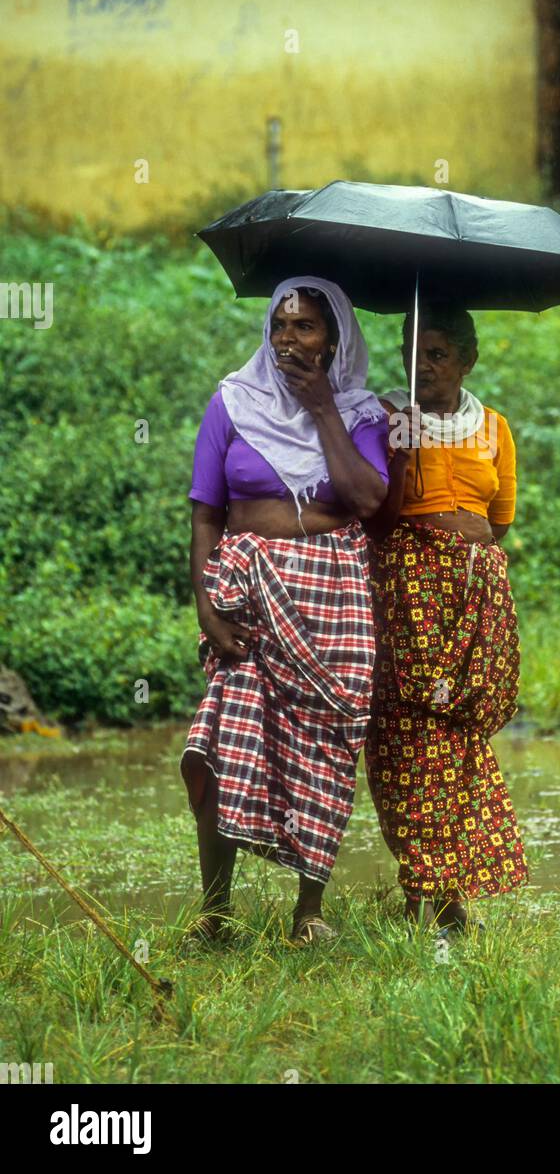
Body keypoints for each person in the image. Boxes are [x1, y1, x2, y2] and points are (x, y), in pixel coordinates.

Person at [181, 275, 389, 946]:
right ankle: (215, 914)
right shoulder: (233, 403)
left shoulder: (363, 414)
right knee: (219, 746)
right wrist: (208, 608)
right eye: (280, 325)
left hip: (332, 598)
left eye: (305, 327)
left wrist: (324, 407)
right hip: (246, 598)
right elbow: (205, 512)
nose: (289, 339)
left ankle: (309, 911)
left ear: (335, 339)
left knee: (325, 748)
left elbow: (367, 500)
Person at [362, 301, 529, 935]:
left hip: (478, 592)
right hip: (409, 589)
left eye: (436, 354)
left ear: (467, 360)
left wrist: (465, 558)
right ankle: (425, 889)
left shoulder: (493, 426)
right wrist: (400, 444)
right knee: (408, 732)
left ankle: (449, 886)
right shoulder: (383, 421)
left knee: (461, 734)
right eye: (412, 353)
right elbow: (375, 512)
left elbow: (502, 519)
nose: (422, 366)